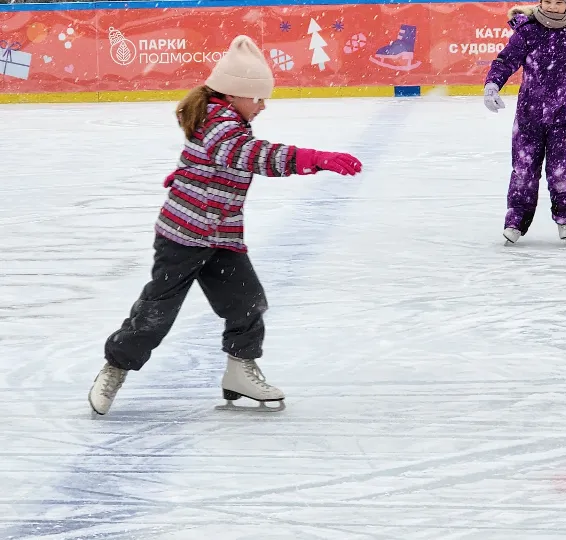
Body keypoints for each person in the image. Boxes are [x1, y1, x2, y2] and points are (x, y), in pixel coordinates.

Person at [88, 35, 362, 416]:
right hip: (183, 238)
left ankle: (239, 371)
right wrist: (312, 158)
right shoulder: (218, 124)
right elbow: (252, 156)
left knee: (247, 302)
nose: (263, 106)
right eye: (259, 98)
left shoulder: (229, 119)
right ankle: (114, 368)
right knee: (155, 315)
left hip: (221, 237)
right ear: (234, 93)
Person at [483, 0, 566, 244]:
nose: (552, 7)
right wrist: (492, 85)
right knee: (523, 171)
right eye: (548, 1)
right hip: (529, 115)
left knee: (562, 171)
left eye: (558, 2)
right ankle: (515, 222)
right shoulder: (527, 30)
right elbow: (506, 61)